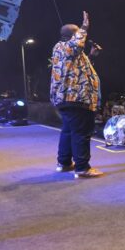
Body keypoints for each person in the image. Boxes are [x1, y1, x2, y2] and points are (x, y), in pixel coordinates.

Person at [50, 11, 103, 178]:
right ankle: (82, 167)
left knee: (68, 131)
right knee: (81, 132)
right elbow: (76, 45)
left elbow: (78, 71)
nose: (83, 36)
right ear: (73, 36)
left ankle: (64, 163)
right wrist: (85, 27)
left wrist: (91, 56)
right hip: (76, 98)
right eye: (78, 32)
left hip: (69, 98)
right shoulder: (64, 46)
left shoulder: (69, 52)